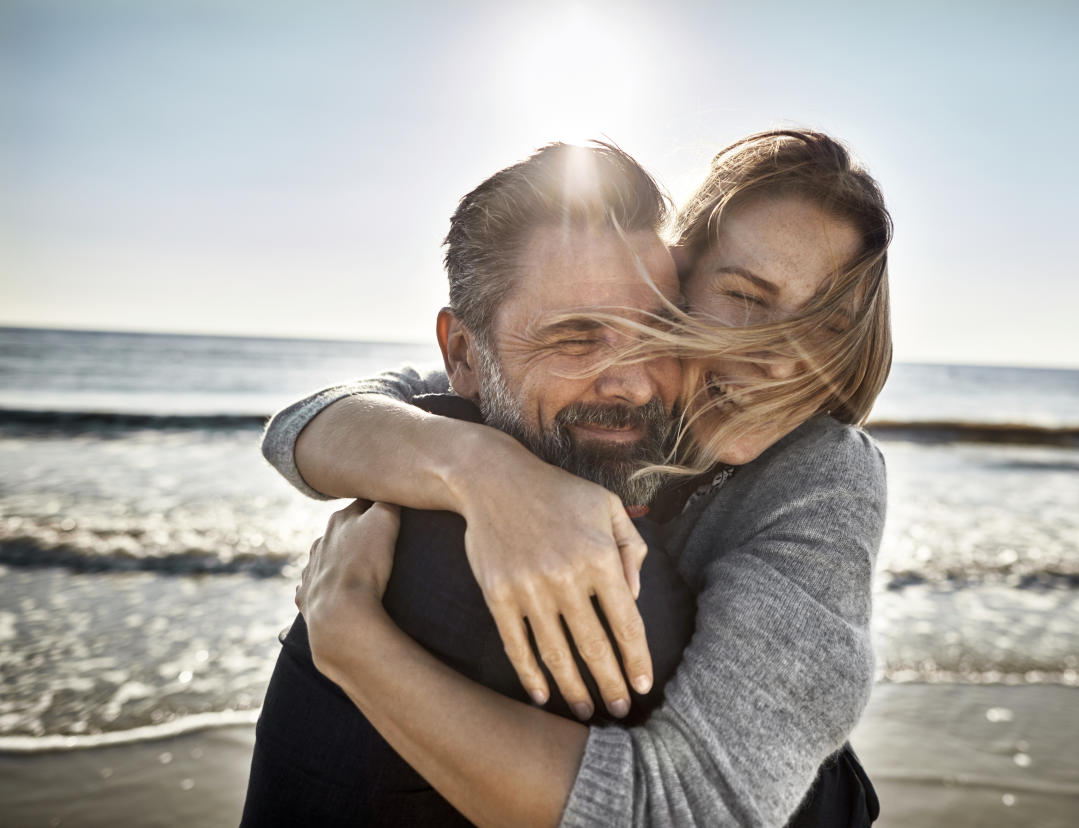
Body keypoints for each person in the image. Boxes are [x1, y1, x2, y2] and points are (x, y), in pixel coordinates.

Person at [262, 130, 890, 826]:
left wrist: (350, 639)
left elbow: (697, 812)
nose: (779, 361)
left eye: (825, 327)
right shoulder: (529, 405)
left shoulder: (819, 471)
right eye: (746, 296)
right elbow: (305, 427)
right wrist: (484, 472)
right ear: (684, 278)